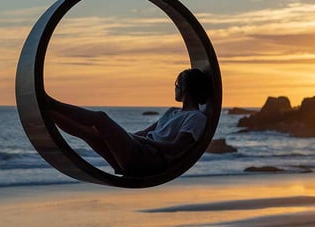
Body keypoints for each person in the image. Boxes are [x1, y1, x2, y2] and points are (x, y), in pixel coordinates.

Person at [44, 68, 211, 176]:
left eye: (177, 84)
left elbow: (175, 149)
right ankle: (47, 112)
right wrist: (122, 136)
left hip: (148, 159)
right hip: (139, 152)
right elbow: (145, 132)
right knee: (88, 133)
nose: (174, 88)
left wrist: (139, 140)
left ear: (185, 89)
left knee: (100, 118)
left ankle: (49, 103)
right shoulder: (172, 112)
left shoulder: (196, 118)